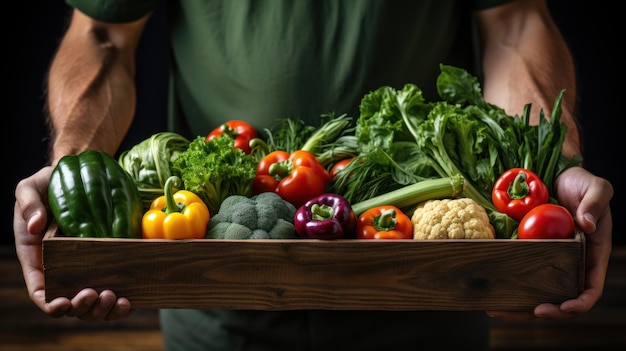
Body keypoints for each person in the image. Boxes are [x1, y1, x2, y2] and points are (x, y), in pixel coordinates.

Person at [13, 0, 614, 350]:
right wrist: (73, 175)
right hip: (217, 293)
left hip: (431, 296)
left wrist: (549, 163)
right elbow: (102, 34)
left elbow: (514, 23)